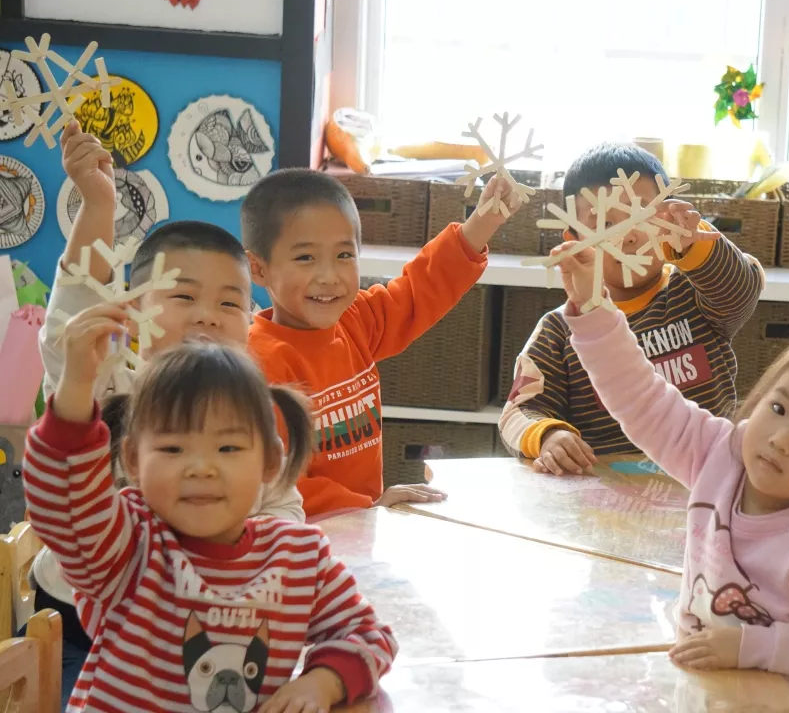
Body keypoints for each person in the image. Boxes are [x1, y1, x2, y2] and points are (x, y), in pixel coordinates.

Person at [553, 242, 789, 692]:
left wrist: (753, 646)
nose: (781, 440)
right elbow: (638, 395)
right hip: (701, 684)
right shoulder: (718, 452)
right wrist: (593, 308)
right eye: (779, 408)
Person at [31, 122, 303, 704]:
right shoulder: (109, 380)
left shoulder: (250, 409)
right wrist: (98, 205)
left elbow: (283, 512)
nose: (207, 315)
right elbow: (69, 329)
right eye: (183, 296)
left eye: (229, 302)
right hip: (81, 630)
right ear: (130, 309)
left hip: (207, 637)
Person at [22, 337, 398, 711]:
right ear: (134, 460)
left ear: (270, 462)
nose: (201, 467)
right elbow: (62, 506)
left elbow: (368, 634)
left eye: (228, 448)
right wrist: (74, 390)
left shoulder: (300, 558)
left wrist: (324, 681)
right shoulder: (128, 543)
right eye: (173, 449)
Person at [244, 168, 521, 517]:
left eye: (344, 256)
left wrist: (483, 223)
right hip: (302, 537)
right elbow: (274, 480)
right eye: (305, 258)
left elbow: (419, 291)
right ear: (258, 269)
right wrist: (368, 506)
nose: (329, 277)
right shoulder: (258, 364)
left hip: (363, 521)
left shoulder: (354, 319)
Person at [499, 143, 764, 474]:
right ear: (573, 238)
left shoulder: (693, 290)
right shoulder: (562, 329)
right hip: (609, 499)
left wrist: (696, 247)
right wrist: (548, 435)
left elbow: (745, 285)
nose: (629, 236)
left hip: (706, 485)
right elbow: (517, 412)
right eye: (606, 223)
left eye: (641, 215)